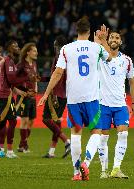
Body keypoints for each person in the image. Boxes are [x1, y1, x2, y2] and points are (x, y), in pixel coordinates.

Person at [38, 17, 111, 181]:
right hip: (91, 97)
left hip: (73, 99)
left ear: (75, 30)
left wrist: (45, 93)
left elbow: (57, 73)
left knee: (76, 134)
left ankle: (76, 173)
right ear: (90, 31)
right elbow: (110, 59)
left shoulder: (66, 49)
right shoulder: (96, 48)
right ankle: (86, 162)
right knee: (96, 132)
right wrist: (103, 40)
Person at [97, 31, 134, 179]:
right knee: (103, 138)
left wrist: (133, 102)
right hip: (103, 104)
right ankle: (103, 170)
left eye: (117, 38)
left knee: (123, 134)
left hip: (120, 105)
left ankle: (116, 169)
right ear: (108, 40)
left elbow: (132, 81)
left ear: (120, 42)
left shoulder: (127, 60)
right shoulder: (100, 57)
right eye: (112, 37)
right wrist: (100, 41)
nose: (114, 39)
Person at [0, 40, 34, 158]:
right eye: (14, 46)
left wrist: (21, 91)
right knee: (9, 121)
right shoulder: (8, 61)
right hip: (4, 96)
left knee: (5, 122)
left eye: (18, 45)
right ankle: (2, 149)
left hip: (6, 94)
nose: (17, 47)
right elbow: (12, 80)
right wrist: (26, 78)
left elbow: (10, 83)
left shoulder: (10, 61)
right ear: (9, 49)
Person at [42, 35, 71, 159]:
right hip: (65, 94)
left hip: (56, 93)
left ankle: (67, 141)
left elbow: (57, 76)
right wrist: (42, 79)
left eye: (55, 46)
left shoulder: (58, 57)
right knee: (57, 121)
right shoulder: (69, 58)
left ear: (58, 46)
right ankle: (51, 151)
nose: (54, 48)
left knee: (46, 119)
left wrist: (52, 93)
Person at [16, 43, 39, 153]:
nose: (36, 53)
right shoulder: (21, 65)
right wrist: (19, 91)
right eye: (34, 51)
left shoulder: (34, 64)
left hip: (33, 96)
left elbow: (35, 78)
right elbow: (12, 79)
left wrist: (36, 88)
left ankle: (22, 144)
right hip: (24, 96)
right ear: (28, 52)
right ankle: (23, 145)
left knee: (31, 121)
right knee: (24, 120)